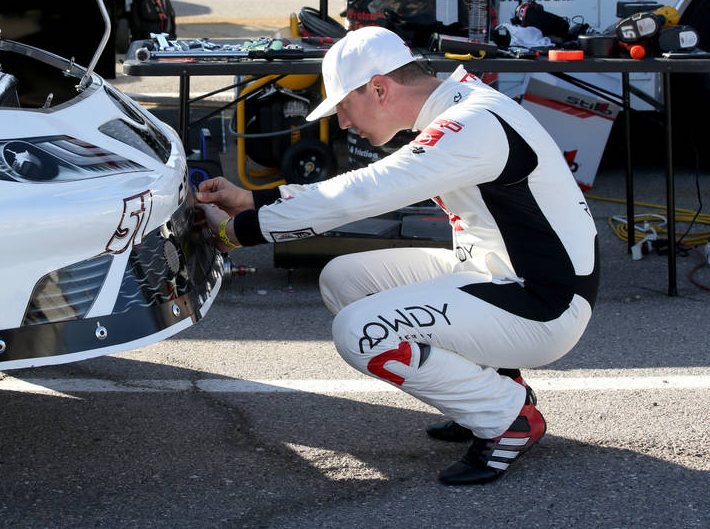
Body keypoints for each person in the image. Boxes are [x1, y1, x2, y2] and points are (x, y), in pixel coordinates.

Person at [197, 26, 598, 485]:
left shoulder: (474, 122)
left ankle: (507, 417)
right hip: (498, 275)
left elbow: (365, 191)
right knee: (344, 279)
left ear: (379, 88)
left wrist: (237, 232)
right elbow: (360, 187)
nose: (344, 124)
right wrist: (253, 200)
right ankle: (487, 390)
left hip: (543, 305)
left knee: (359, 331)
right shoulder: (460, 105)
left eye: (344, 107)